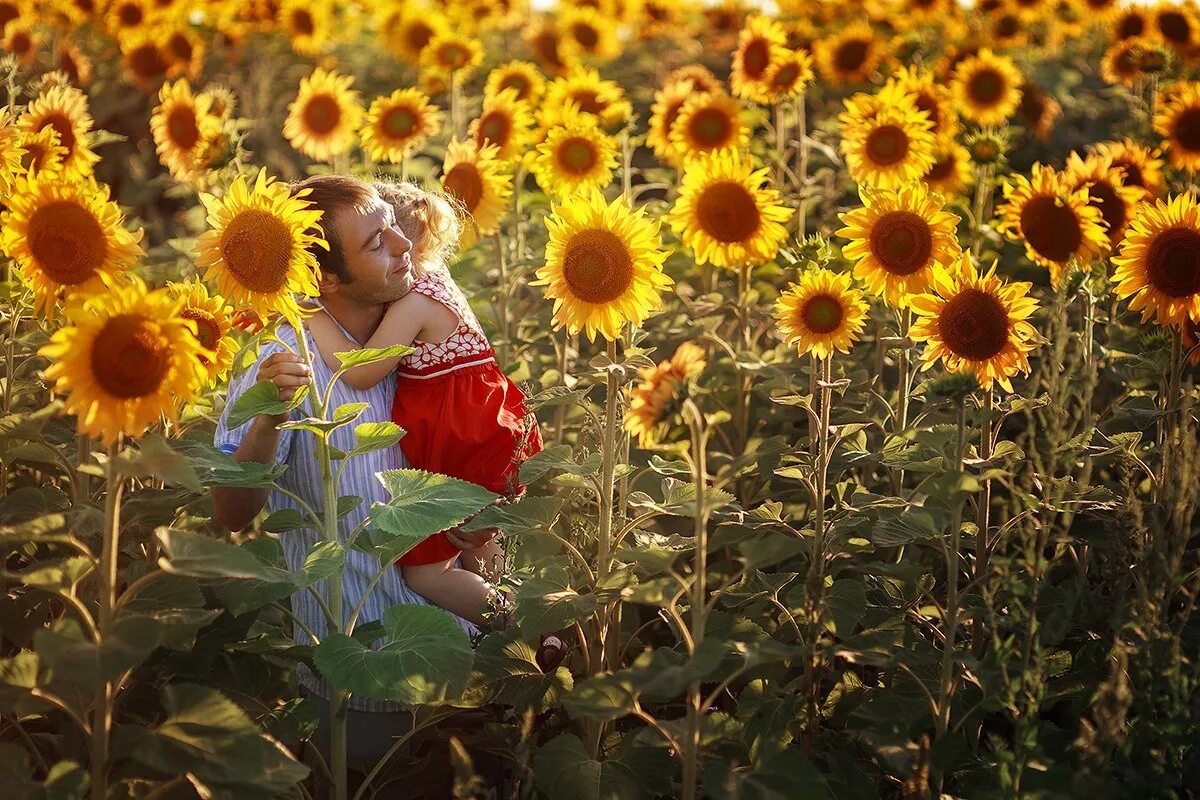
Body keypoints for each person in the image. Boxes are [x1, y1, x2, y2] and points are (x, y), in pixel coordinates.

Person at [210, 175, 504, 786]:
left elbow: (464, 450)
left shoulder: (415, 337)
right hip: (361, 672)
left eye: (393, 226)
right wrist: (269, 414)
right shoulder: (284, 357)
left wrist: (475, 526)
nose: (404, 243)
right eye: (377, 241)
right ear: (328, 280)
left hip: (466, 652)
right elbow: (233, 512)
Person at [304, 180, 564, 673]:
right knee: (478, 544)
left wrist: (314, 314)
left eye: (387, 236)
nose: (392, 248)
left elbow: (361, 371)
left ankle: (526, 630)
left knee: (427, 574)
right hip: (488, 428)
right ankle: (526, 640)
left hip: (458, 439)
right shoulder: (438, 280)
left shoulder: (413, 302)